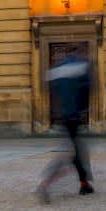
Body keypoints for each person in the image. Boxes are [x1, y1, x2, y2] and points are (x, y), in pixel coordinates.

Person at [38, 52, 94, 201]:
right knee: (72, 154)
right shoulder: (81, 67)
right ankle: (45, 184)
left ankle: (84, 184)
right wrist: (83, 110)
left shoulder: (56, 69)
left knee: (75, 152)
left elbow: (51, 90)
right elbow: (86, 90)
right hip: (74, 117)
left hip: (62, 117)